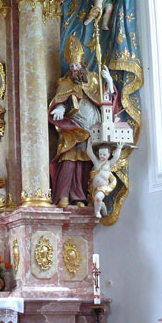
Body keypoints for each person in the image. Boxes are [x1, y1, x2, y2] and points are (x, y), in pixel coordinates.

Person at [49, 37, 119, 207]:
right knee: (68, 158)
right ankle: (63, 195)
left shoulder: (93, 79)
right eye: (72, 66)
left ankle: (79, 196)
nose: (74, 68)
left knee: (84, 162)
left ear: (82, 65)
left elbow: (106, 98)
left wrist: (108, 81)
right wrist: (60, 108)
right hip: (73, 127)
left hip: (92, 126)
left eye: (77, 65)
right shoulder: (65, 83)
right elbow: (60, 100)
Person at [85, 135, 123, 221]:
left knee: (98, 198)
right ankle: (103, 207)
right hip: (94, 188)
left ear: (109, 155)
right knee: (96, 200)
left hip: (103, 188)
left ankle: (97, 212)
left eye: (104, 155)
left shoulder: (109, 164)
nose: (102, 156)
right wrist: (89, 145)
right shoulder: (96, 162)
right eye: (100, 154)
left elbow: (116, 157)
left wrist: (119, 148)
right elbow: (90, 154)